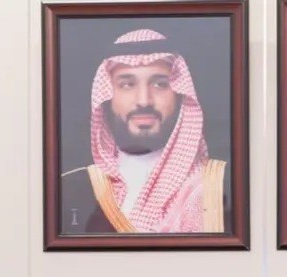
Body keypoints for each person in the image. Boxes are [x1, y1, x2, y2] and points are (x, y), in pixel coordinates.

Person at [61, 28, 230, 234]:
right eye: (127, 84)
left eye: (160, 84)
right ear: (107, 97)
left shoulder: (220, 183)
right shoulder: (71, 188)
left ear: (180, 94)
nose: (144, 100)